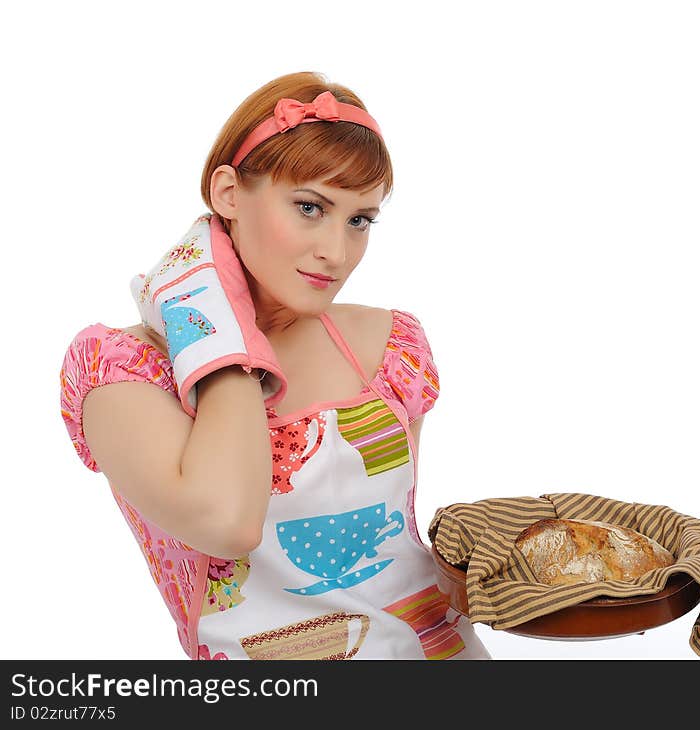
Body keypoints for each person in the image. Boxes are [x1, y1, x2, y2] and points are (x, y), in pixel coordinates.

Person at [58, 71, 491, 660]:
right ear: (228, 193)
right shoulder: (123, 374)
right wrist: (211, 328)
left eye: (359, 219)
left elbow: (395, 558)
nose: (336, 253)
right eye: (309, 207)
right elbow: (228, 523)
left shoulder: (388, 344)